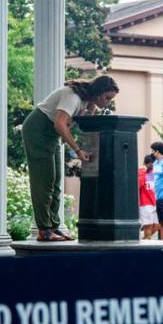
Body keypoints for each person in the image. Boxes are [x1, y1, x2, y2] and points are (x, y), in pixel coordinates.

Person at [22, 75, 119, 241]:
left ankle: (53, 226)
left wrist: (92, 110)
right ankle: (44, 230)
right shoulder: (73, 97)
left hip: (51, 135)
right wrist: (78, 150)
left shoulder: (86, 100)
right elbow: (60, 123)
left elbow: (85, 122)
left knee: (56, 182)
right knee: (44, 181)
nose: (108, 102)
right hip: (38, 130)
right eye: (107, 97)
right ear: (98, 92)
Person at [150, 142, 163, 240]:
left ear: (157, 151)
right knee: (161, 223)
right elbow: (150, 179)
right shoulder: (155, 163)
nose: (152, 153)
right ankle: (162, 243)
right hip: (157, 197)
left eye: (153, 151)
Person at [138, 155, 158, 239]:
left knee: (157, 226)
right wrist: (143, 171)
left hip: (154, 202)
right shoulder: (142, 172)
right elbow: (138, 184)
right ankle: (146, 242)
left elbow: (152, 187)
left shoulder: (153, 173)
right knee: (148, 227)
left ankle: (144, 239)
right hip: (145, 203)